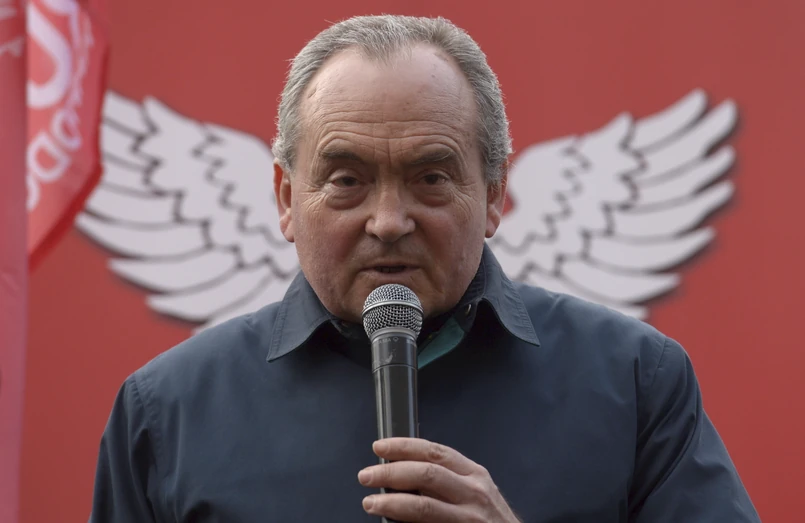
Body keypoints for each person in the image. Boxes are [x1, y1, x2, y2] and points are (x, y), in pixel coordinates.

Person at [89, 15, 760, 522]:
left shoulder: (635, 382)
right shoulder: (167, 411)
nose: (388, 220)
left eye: (430, 177)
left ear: (493, 195)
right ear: (287, 198)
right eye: (346, 180)